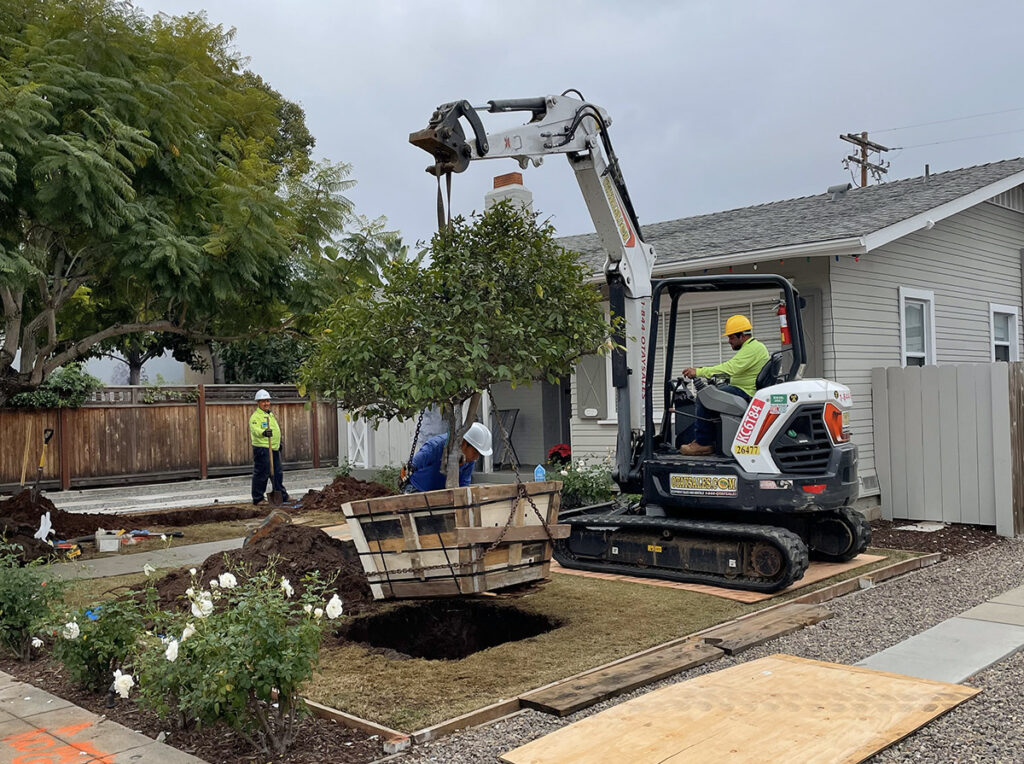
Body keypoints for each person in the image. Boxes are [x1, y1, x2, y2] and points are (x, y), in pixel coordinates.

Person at [679, 315, 770, 456]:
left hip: (745, 392)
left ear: (742, 336)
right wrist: (707, 372)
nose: (729, 341)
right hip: (743, 389)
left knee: (704, 398)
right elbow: (735, 371)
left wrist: (699, 371)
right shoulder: (752, 347)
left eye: (731, 337)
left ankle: (703, 443)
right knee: (713, 394)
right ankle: (712, 440)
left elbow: (730, 368)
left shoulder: (753, 349)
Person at [406, 422, 493, 493]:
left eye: (479, 454)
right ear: (464, 443)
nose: (476, 457)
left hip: (441, 496)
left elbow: (463, 485)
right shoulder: (436, 446)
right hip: (417, 490)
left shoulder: (469, 460)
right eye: (475, 452)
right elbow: (413, 465)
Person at [250, 389, 289, 505]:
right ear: (258, 403)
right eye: (263, 401)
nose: (266, 403)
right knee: (262, 473)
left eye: (267, 401)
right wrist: (263, 432)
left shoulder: (270, 415)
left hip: (274, 448)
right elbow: (255, 430)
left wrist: (278, 443)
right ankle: (258, 498)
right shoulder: (255, 417)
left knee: (277, 473)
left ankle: (281, 495)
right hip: (262, 449)